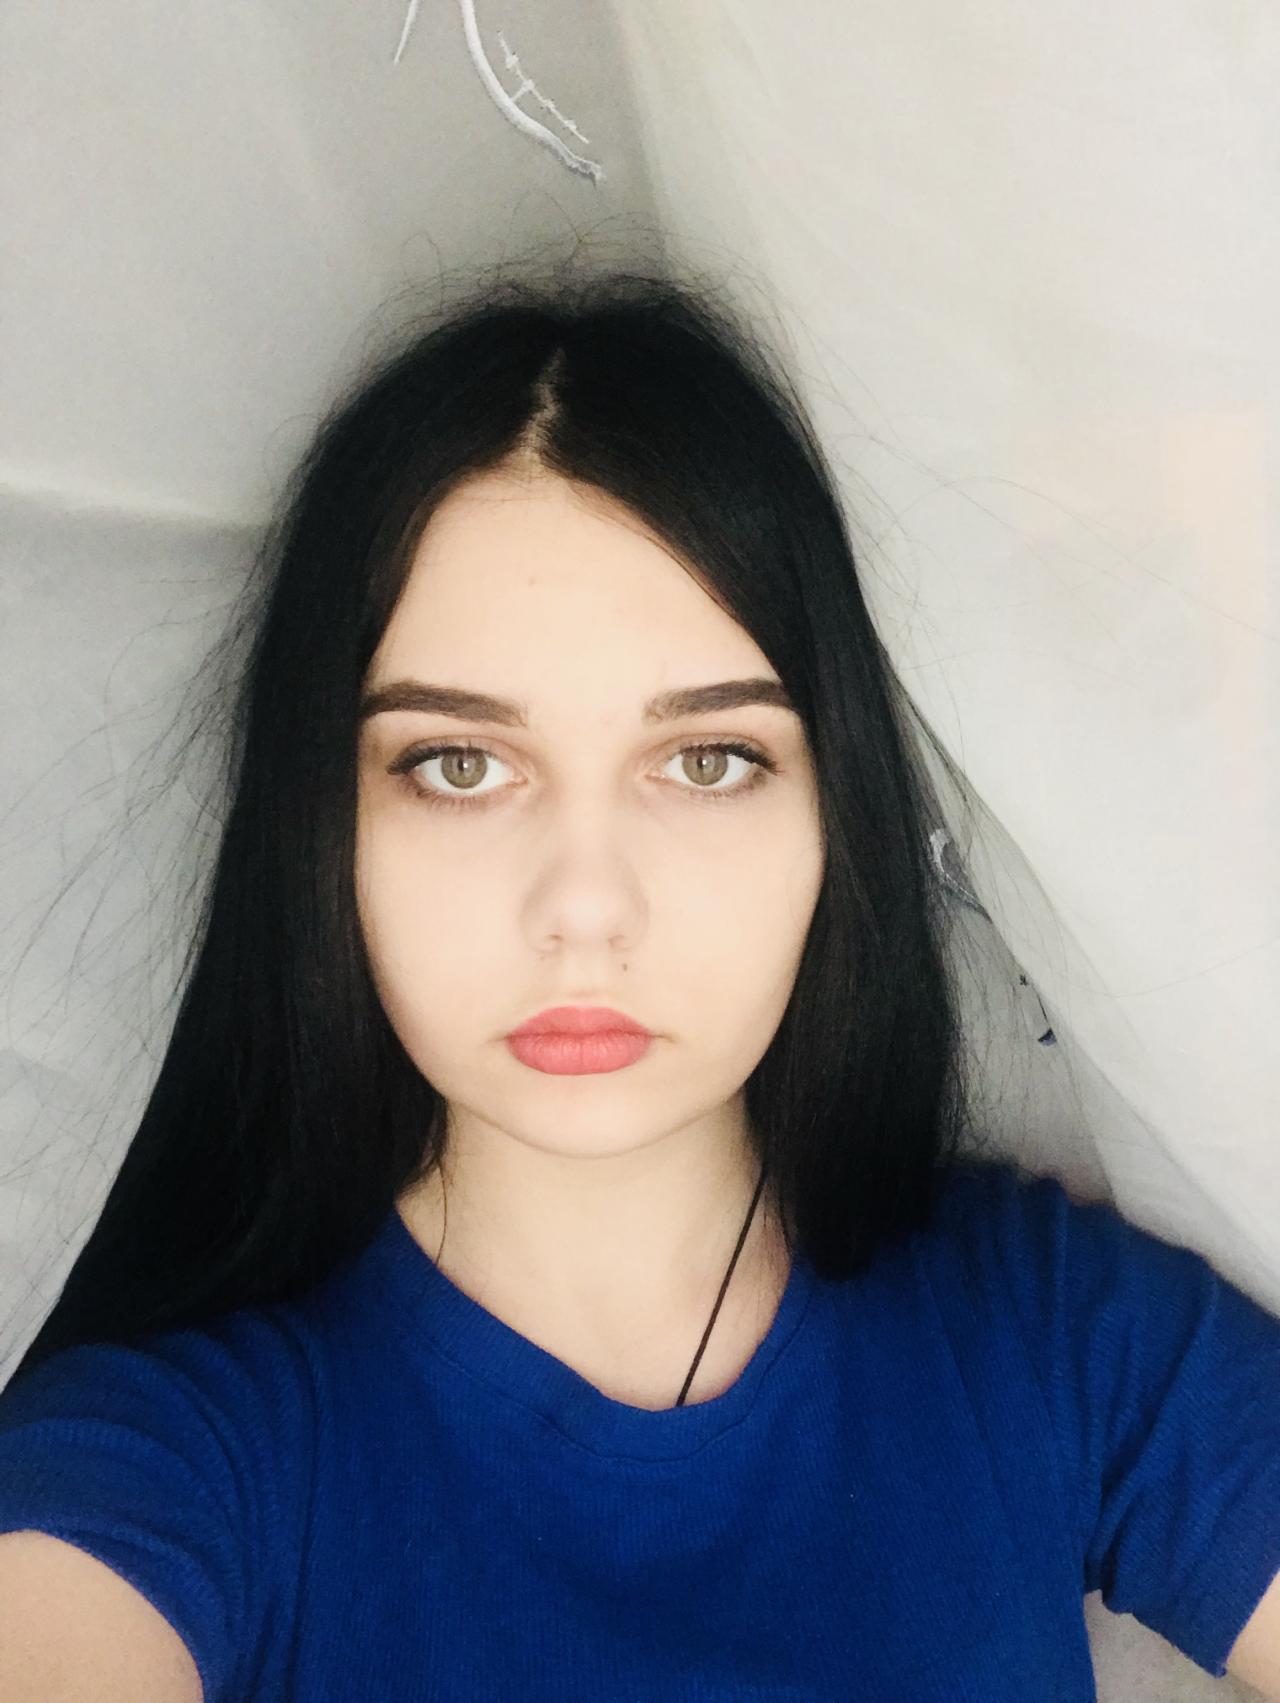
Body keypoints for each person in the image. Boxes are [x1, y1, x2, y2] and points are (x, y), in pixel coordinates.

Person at [1, 266, 1279, 1702]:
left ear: (838, 815)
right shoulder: (174, 1460)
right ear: (323, 825)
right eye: (459, 765)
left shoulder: (1048, 1334)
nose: (586, 908)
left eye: (708, 760)